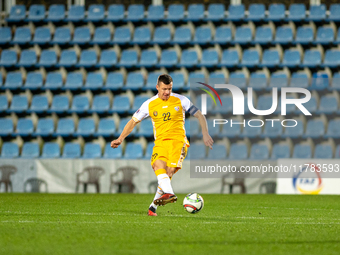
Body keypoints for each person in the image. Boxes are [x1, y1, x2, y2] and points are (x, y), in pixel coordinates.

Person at [111, 74, 213, 216]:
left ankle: (154, 206)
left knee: (168, 172)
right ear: (157, 87)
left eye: (169, 89)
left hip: (178, 142)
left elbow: (199, 115)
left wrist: (205, 133)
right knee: (158, 166)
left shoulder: (181, 100)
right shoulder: (149, 104)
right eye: (164, 89)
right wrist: (121, 138)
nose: (167, 92)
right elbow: (133, 121)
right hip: (160, 143)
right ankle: (168, 195)